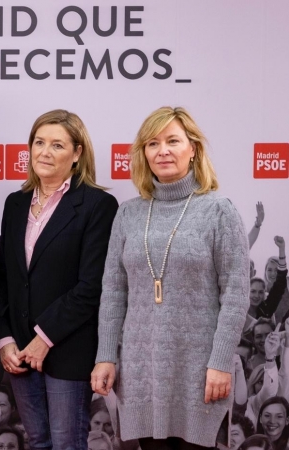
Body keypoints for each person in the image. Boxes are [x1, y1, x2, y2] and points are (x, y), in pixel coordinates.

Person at [92, 107, 250, 449]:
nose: (162, 150)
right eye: (152, 143)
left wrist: (221, 362)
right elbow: (113, 292)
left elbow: (236, 294)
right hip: (140, 372)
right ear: (143, 154)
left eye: (172, 140)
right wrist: (106, 355)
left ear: (193, 148)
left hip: (199, 373)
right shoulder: (128, 213)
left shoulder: (219, 210)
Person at [0, 109, 118, 449]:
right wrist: (4, 339)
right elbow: (3, 276)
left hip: (67, 349)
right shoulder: (15, 203)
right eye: (39, 142)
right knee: (37, 441)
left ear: (77, 153)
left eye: (57, 145)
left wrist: (43, 338)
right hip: (18, 351)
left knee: (66, 443)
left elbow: (91, 286)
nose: (44, 152)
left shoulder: (97, 205)